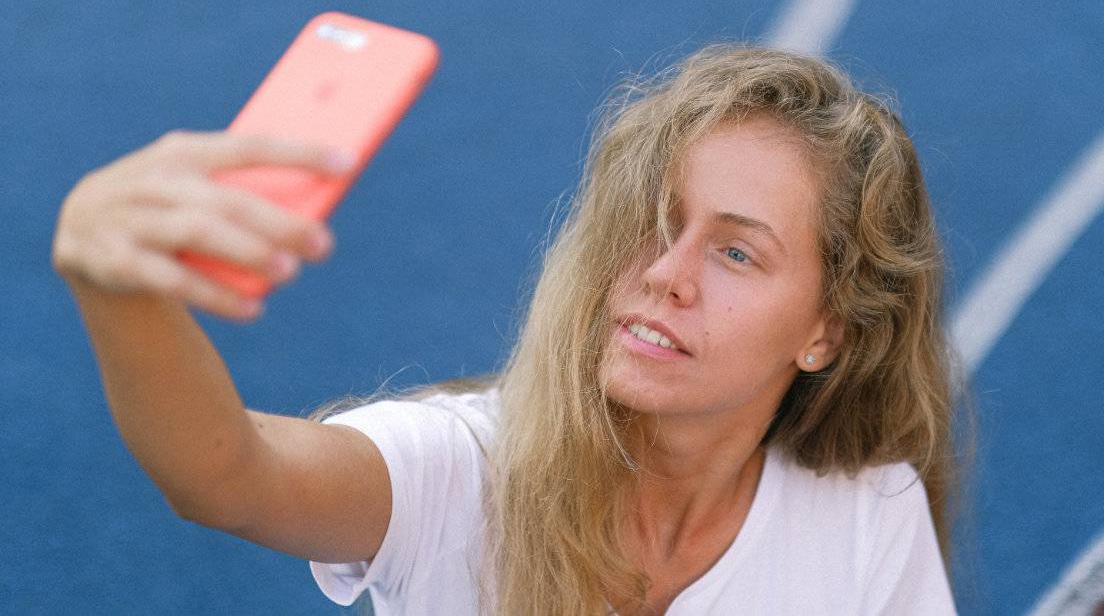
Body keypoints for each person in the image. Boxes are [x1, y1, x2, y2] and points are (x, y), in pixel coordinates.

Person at [52, 43, 963, 615]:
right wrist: (120, 292)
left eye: (735, 255)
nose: (663, 274)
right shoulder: (459, 472)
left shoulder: (865, 519)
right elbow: (224, 476)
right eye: (656, 220)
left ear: (828, 333)